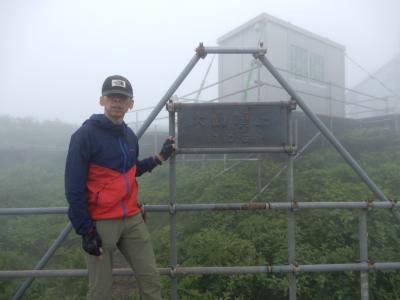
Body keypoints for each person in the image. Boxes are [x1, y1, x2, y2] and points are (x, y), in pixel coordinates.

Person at [65, 75, 174, 300]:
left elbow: (131, 171)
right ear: (102, 100)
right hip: (101, 222)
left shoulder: (128, 136)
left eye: (123, 98)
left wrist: (160, 156)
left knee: (151, 280)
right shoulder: (85, 135)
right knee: (100, 290)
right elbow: (73, 187)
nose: (117, 102)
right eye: (112, 97)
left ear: (130, 104)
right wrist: (85, 230)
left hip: (132, 218)